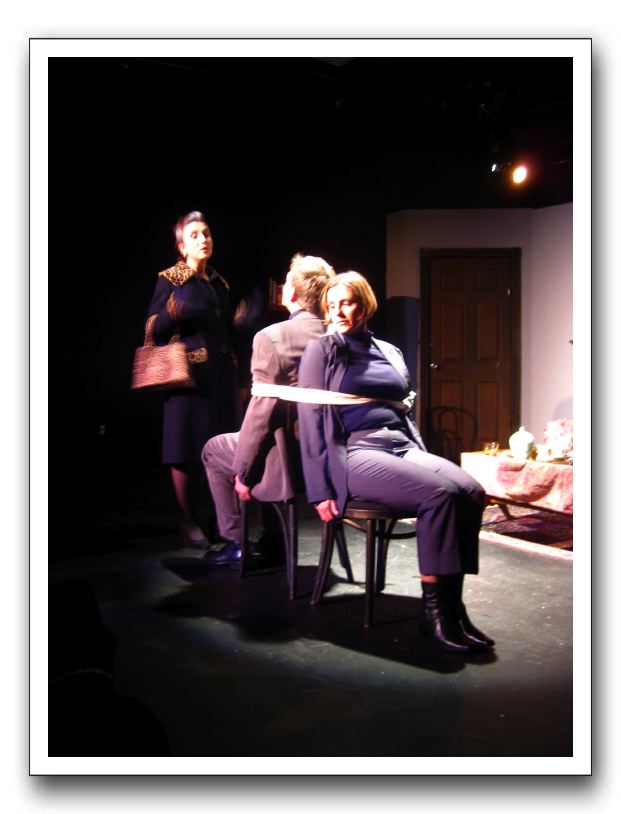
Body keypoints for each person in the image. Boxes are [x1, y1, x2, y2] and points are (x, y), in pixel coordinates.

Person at [296, 271, 494, 653]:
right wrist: (319, 489)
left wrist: (415, 449)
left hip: (400, 445)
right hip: (356, 452)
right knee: (440, 495)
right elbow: (310, 419)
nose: (339, 312)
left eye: (347, 303)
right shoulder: (322, 351)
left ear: (365, 305)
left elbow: (402, 407)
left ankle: (454, 608)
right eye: (332, 305)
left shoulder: (389, 351)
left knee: (471, 491)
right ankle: (433, 614)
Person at [201, 254, 335, 565]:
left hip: (288, 457)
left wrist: (245, 472)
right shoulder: (340, 337)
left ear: (292, 294)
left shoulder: (272, 337)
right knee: (264, 439)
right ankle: (273, 538)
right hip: (327, 459)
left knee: (215, 450)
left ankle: (235, 540)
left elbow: (261, 414)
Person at [145, 211, 241, 547]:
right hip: (188, 379)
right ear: (182, 246)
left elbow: (225, 329)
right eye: (195, 235)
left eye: (207, 233)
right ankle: (188, 521)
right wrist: (172, 312)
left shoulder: (219, 282)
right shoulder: (171, 279)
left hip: (220, 378)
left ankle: (220, 519)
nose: (203, 239)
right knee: (185, 449)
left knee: (221, 449)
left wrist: (242, 321)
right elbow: (154, 329)